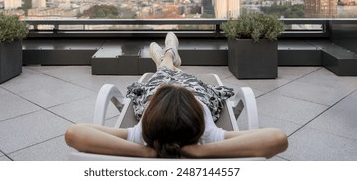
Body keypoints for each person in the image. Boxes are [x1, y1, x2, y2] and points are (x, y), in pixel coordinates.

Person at [65, 32, 288, 159]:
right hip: (196, 94)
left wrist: (146, 152)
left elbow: (75, 133)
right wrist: (201, 152)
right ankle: (169, 55)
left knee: (164, 74)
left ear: (150, 120)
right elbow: (278, 138)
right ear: (199, 124)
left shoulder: (141, 135)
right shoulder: (208, 136)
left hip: (157, 95)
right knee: (179, 76)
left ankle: (166, 58)